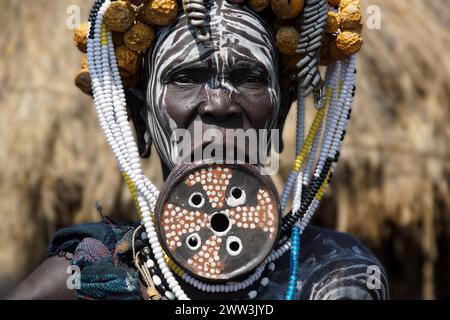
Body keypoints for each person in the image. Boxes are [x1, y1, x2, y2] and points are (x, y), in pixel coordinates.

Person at [7, 0, 388, 300]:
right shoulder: (80, 281)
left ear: (282, 111)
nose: (220, 104)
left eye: (249, 78)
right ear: (141, 117)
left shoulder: (335, 275)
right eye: (186, 78)